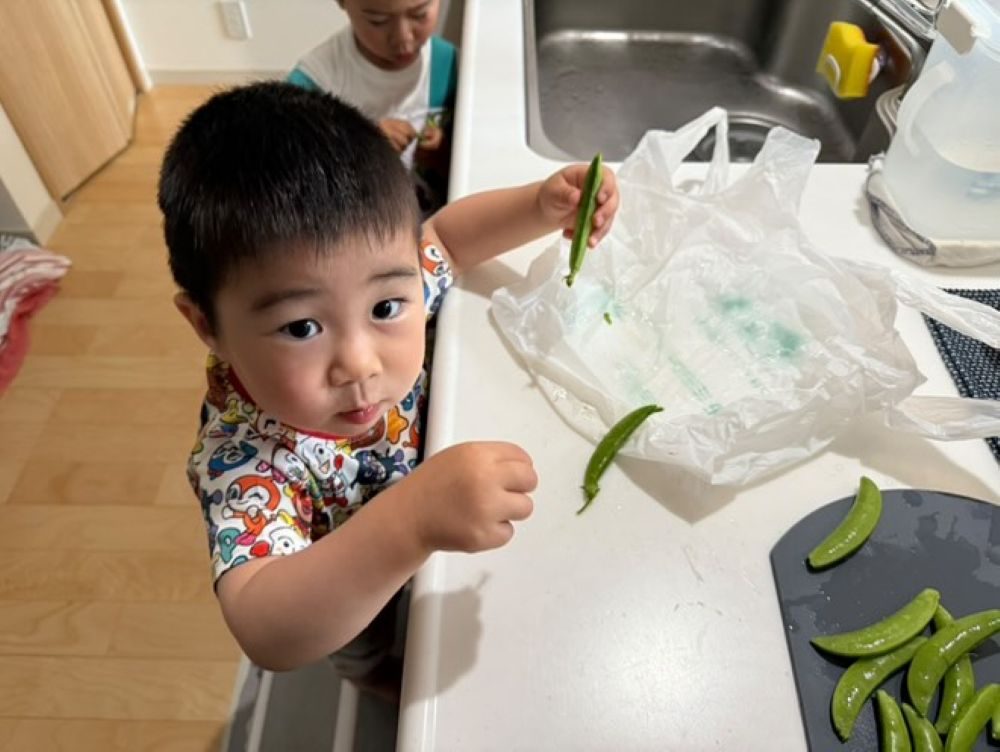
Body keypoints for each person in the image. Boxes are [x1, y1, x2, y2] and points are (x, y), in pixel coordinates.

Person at [158, 82, 619, 695]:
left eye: (385, 309)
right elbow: (264, 626)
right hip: (346, 596)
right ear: (206, 325)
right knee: (374, 658)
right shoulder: (246, 459)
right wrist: (413, 521)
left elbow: (448, 242)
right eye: (301, 327)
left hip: (440, 524)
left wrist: (539, 207)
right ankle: (379, 679)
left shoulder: (377, 281)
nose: (359, 362)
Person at [287, 0, 457, 214]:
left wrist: (446, 152)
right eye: (378, 21)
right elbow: (289, 182)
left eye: (419, 14)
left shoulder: (451, 65)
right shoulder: (314, 84)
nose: (403, 38)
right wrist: (361, 147)